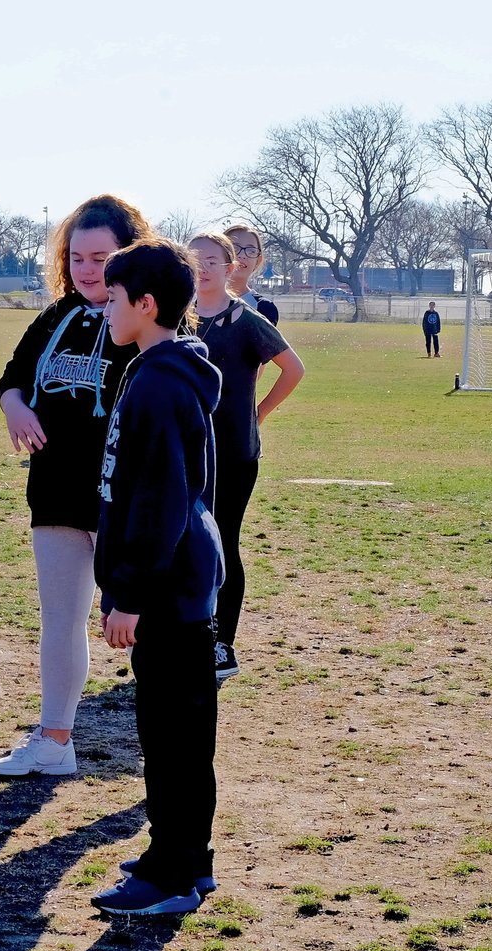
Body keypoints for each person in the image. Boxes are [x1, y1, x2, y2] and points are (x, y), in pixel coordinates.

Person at [0, 196, 152, 777]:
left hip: (126, 502)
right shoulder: (54, 316)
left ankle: (167, 751)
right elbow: (12, 378)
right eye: (77, 256)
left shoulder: (147, 320)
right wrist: (14, 408)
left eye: (101, 257)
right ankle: (55, 741)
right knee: (61, 621)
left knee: (143, 625)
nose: (87, 269)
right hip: (56, 491)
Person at [89, 238, 224, 916]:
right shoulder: (157, 372)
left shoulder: (163, 384)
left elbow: (162, 501)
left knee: (174, 741)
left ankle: (171, 877)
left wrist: (129, 595)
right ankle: (184, 859)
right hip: (175, 588)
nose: (105, 308)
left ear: (145, 304)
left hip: (167, 594)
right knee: (176, 735)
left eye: (113, 298)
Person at [189, 231, 305, 680]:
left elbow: (293, 368)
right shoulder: (175, 318)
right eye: (195, 258)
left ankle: (221, 644)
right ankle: (188, 634)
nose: (203, 266)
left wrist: (258, 414)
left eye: (213, 260)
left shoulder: (246, 319)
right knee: (185, 544)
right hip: (184, 452)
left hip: (235, 453)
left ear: (230, 264)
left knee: (223, 543)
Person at [223, 224, 279, 326]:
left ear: (258, 260)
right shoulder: (195, 303)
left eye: (251, 250)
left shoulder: (263, 307)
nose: (242, 255)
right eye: (234, 248)